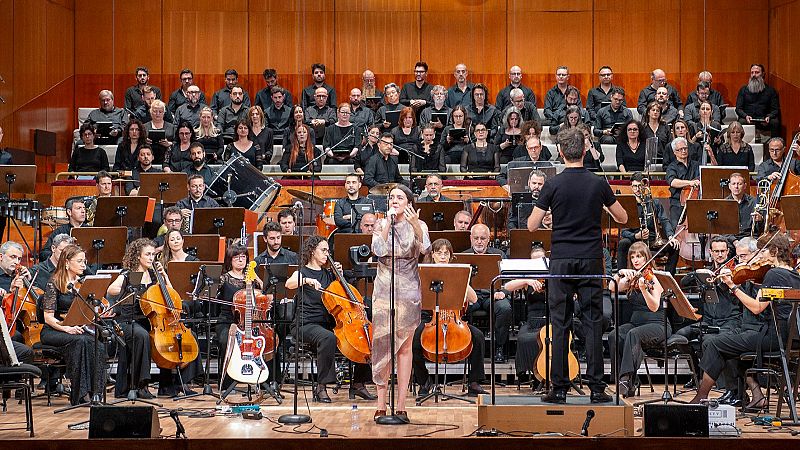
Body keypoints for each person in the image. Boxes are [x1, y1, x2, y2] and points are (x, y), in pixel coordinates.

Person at [528, 127, 627, 404]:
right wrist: (601, 207)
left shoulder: (552, 185)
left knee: (560, 323)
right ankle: (597, 389)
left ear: (560, 153)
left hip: (561, 260)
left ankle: (559, 389)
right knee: (593, 322)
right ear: (584, 151)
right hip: (591, 259)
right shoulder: (598, 183)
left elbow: (532, 225)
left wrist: (553, 212)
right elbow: (622, 217)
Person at [690, 232, 800, 409]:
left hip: (774, 337)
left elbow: (757, 307)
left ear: (775, 251)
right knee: (732, 346)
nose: (759, 255)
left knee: (716, 344)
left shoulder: (773, 274)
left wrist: (732, 286)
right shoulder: (794, 274)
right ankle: (757, 396)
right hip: (791, 338)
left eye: (763, 251)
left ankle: (700, 398)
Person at [286, 236, 375, 403]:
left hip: (329, 324)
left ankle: (358, 383)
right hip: (306, 324)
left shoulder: (329, 274)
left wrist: (339, 276)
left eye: (328, 250)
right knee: (328, 338)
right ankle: (321, 387)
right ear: (312, 251)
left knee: (365, 337)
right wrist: (306, 280)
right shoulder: (302, 272)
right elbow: (289, 283)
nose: (327, 254)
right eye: (323, 250)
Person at [371, 185, 430, 422]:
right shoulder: (380, 223)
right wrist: (387, 223)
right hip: (384, 289)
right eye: (392, 197)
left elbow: (426, 249)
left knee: (405, 348)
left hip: (408, 290)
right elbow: (378, 250)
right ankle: (381, 404)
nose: (394, 200)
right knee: (382, 344)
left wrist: (415, 225)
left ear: (409, 203)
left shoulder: (419, 224)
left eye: (399, 197)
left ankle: (402, 404)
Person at [413, 238, 487, 398]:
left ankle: (474, 382)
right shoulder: (424, 273)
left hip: (454, 318)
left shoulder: (457, 273)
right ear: (433, 255)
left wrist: (461, 278)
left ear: (450, 256)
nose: (442, 256)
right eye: (439, 253)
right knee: (415, 341)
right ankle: (424, 381)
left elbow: (474, 299)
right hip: (430, 318)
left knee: (478, 336)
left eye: (446, 253)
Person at [40, 244, 109, 405]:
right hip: (55, 330)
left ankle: (95, 392)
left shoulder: (82, 284)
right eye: (79, 261)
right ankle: (80, 394)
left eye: (84, 261)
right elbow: (48, 317)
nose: (84, 265)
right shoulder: (54, 283)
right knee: (81, 341)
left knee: (96, 344)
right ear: (66, 262)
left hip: (76, 329)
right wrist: (66, 328)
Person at [677, 236, 741, 400]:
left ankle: (730, 388)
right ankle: (697, 374)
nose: (720, 254)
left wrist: (728, 282)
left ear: (728, 251)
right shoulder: (707, 272)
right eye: (716, 251)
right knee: (680, 336)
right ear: (710, 252)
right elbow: (684, 281)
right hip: (708, 321)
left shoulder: (734, 272)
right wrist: (697, 273)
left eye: (723, 251)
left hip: (730, 321)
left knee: (712, 341)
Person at [608, 241, 667, 397]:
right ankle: (625, 379)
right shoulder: (633, 277)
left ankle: (626, 379)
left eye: (639, 256)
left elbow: (654, 306)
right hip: (636, 323)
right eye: (632, 257)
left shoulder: (654, 278)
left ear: (646, 257)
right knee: (614, 335)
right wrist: (620, 273)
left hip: (657, 325)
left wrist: (644, 290)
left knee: (633, 334)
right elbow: (612, 287)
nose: (635, 260)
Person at [106, 238, 162, 399]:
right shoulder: (129, 274)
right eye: (148, 254)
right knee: (142, 335)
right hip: (128, 320)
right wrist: (127, 289)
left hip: (149, 320)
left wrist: (164, 275)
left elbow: (170, 293)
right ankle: (141, 385)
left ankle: (169, 386)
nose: (151, 258)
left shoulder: (154, 275)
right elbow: (111, 289)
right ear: (138, 256)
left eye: (153, 254)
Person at [214, 244, 273, 390]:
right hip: (228, 321)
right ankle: (227, 383)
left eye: (243, 257)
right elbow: (212, 296)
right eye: (236, 257)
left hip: (250, 322)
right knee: (227, 340)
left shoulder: (252, 279)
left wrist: (256, 279)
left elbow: (266, 296)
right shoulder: (224, 279)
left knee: (268, 340)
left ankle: (264, 379)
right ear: (230, 260)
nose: (241, 260)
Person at [462, 224, 511, 362]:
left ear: (488, 239)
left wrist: (503, 292)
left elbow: (509, 278)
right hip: (473, 297)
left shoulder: (499, 255)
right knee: (458, 308)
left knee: (504, 308)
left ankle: (499, 347)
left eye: (483, 238)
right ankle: (462, 346)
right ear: (471, 238)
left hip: (493, 295)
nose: (479, 241)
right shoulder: (463, 256)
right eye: (476, 238)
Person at [503, 246, 548, 383]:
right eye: (534, 261)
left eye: (541, 260)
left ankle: (549, 373)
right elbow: (507, 286)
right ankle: (534, 375)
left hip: (551, 319)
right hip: (532, 321)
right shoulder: (528, 278)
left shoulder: (552, 275)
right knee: (524, 339)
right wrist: (526, 280)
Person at [617, 172, 677, 272]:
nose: (637, 189)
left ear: (645, 186)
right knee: (623, 243)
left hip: (652, 239)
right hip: (635, 239)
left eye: (639, 186)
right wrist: (636, 236)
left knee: (674, 246)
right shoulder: (628, 204)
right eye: (634, 186)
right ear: (631, 187)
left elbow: (664, 220)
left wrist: (671, 236)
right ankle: (622, 275)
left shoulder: (654, 202)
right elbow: (623, 231)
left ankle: (668, 277)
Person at [735, 63, 781, 139]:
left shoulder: (771, 91)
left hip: (764, 120)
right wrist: (745, 116)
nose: (754, 75)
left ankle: (774, 143)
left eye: (757, 72)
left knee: (775, 122)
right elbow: (738, 109)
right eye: (752, 72)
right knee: (741, 122)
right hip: (748, 119)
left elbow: (775, 110)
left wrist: (769, 117)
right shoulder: (743, 90)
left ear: (763, 74)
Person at [665, 137, 701, 227]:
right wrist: (690, 183)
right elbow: (672, 182)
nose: (684, 151)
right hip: (677, 204)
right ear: (674, 152)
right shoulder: (672, 167)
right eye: (680, 149)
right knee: (676, 227)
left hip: (695, 203)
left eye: (685, 148)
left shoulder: (696, 165)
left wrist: (711, 154)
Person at [41, 197, 86, 261]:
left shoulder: (92, 230)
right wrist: (62, 254)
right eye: (79, 208)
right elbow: (44, 253)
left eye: (84, 208)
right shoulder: (59, 231)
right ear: (69, 212)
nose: (83, 211)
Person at [726, 172, 764, 239]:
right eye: (733, 184)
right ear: (729, 186)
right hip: (730, 239)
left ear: (745, 186)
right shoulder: (724, 203)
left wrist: (760, 220)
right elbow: (723, 230)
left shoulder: (754, 202)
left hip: (749, 238)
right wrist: (734, 241)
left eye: (739, 184)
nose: (736, 186)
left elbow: (760, 230)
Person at [144, 99, 175, 164]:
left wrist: (169, 144)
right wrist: (144, 142)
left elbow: (177, 143)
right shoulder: (144, 127)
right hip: (147, 157)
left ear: (164, 113)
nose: (157, 114)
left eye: (160, 112)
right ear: (150, 112)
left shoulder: (171, 127)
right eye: (155, 111)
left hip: (167, 158)